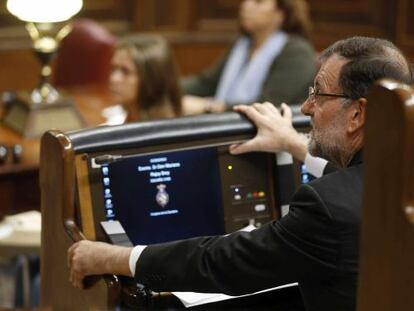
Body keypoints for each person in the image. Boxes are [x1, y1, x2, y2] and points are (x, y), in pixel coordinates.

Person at [67, 37, 412, 311]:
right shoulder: (397, 183)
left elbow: (221, 261)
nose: (306, 107)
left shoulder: (326, 207)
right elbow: (362, 189)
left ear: (356, 116)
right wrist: (295, 144)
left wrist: (112, 257)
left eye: (318, 93)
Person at [182, 0, 316, 115]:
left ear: (281, 13)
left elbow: (269, 106)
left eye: (258, 1)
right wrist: (170, 89)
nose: (246, 5)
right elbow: (206, 83)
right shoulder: (241, 45)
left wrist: (209, 107)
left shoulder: (297, 52)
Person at [108, 34, 182, 122]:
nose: (113, 79)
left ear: (151, 78)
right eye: (113, 68)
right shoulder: (132, 116)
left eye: (125, 71)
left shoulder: (164, 130)